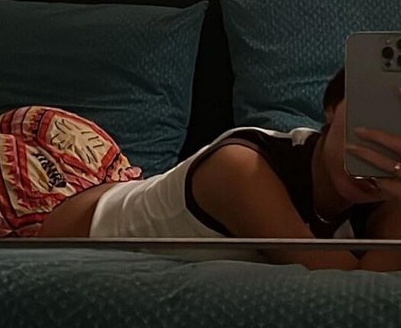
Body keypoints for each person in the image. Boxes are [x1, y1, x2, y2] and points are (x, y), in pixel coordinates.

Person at [38, 68, 401, 271]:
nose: (381, 147)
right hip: (67, 221)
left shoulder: (387, 201)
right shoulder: (241, 168)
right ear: (332, 109)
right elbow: (349, 285)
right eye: (372, 121)